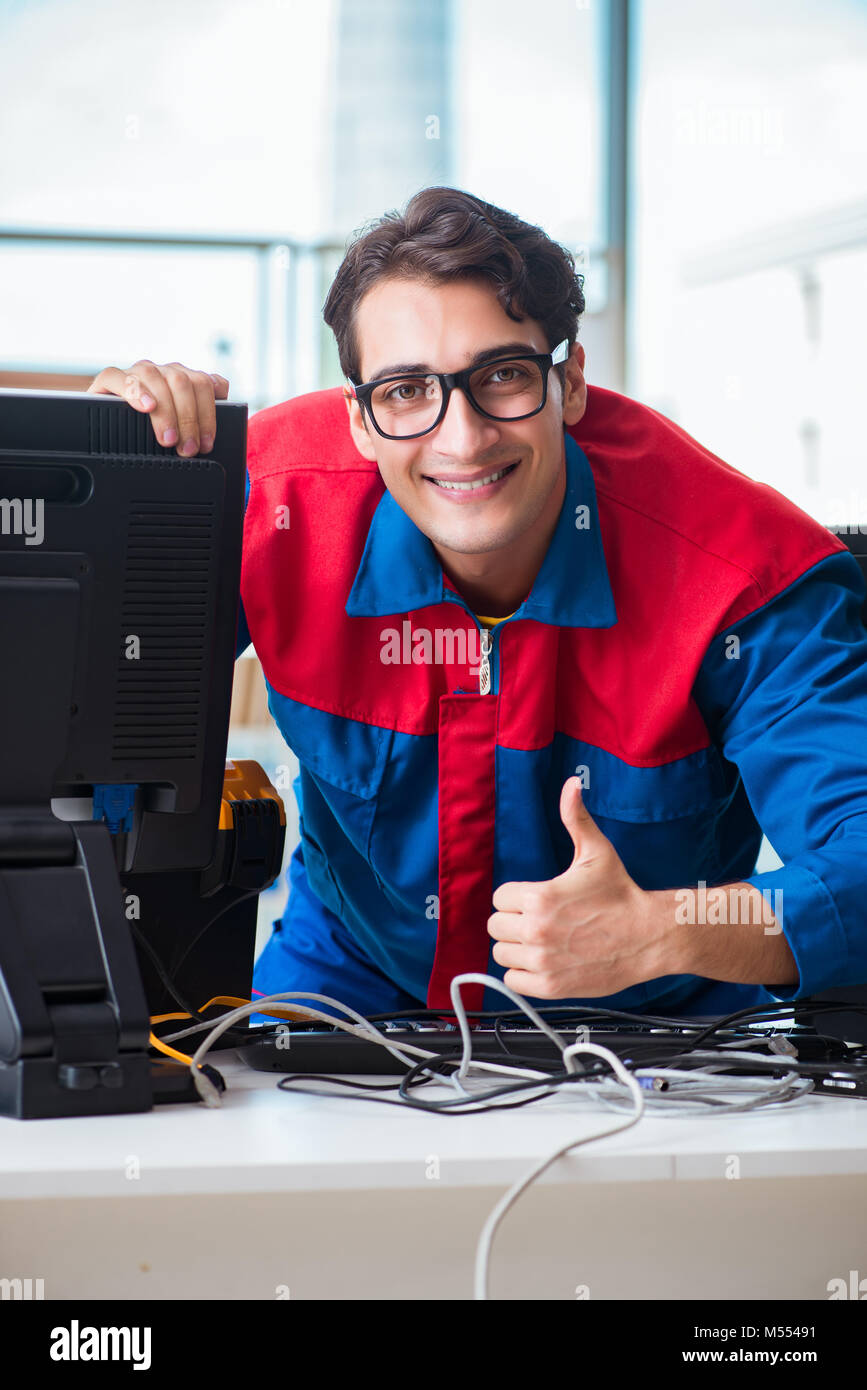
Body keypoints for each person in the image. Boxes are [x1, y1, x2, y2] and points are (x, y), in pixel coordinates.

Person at [87, 186, 867, 1022]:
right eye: (405, 391)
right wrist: (98, 504)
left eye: (501, 376)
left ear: (568, 385)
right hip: (346, 987)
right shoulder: (263, 502)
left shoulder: (742, 573)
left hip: (653, 1029)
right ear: (357, 417)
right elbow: (68, 732)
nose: (461, 438)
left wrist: (665, 929)